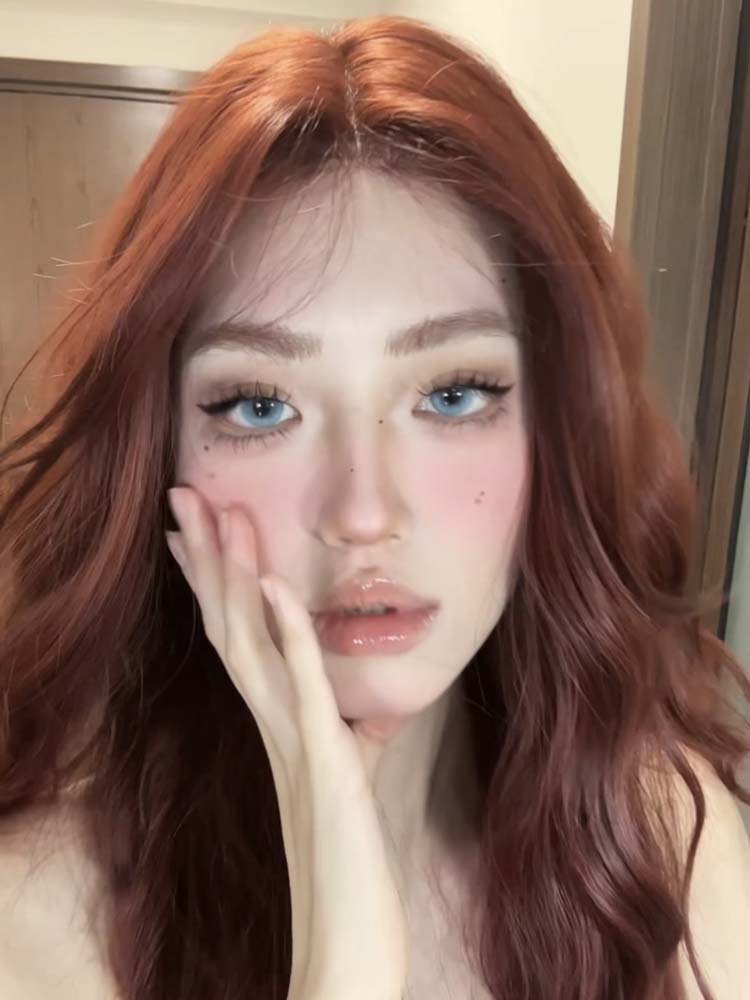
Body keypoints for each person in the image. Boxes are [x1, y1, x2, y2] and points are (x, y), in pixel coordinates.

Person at [0, 13, 749, 1000]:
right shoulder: (28, 925)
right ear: (156, 456)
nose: (363, 513)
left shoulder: (669, 842)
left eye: (455, 394)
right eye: (259, 405)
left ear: (555, 434)